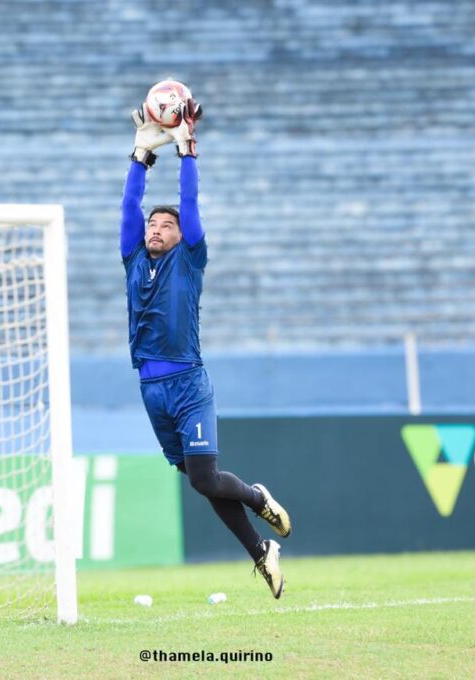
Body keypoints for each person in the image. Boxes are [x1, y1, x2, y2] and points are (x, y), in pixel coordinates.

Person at [120, 94, 291, 598]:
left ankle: (258, 499)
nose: (155, 227)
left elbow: (189, 205)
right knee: (200, 481)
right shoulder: (132, 259)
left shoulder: (190, 260)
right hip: (150, 387)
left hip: (188, 382)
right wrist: (139, 157)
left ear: (181, 236)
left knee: (207, 474)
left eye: (165, 225)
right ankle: (261, 551)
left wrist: (186, 151)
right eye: (153, 224)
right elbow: (130, 205)